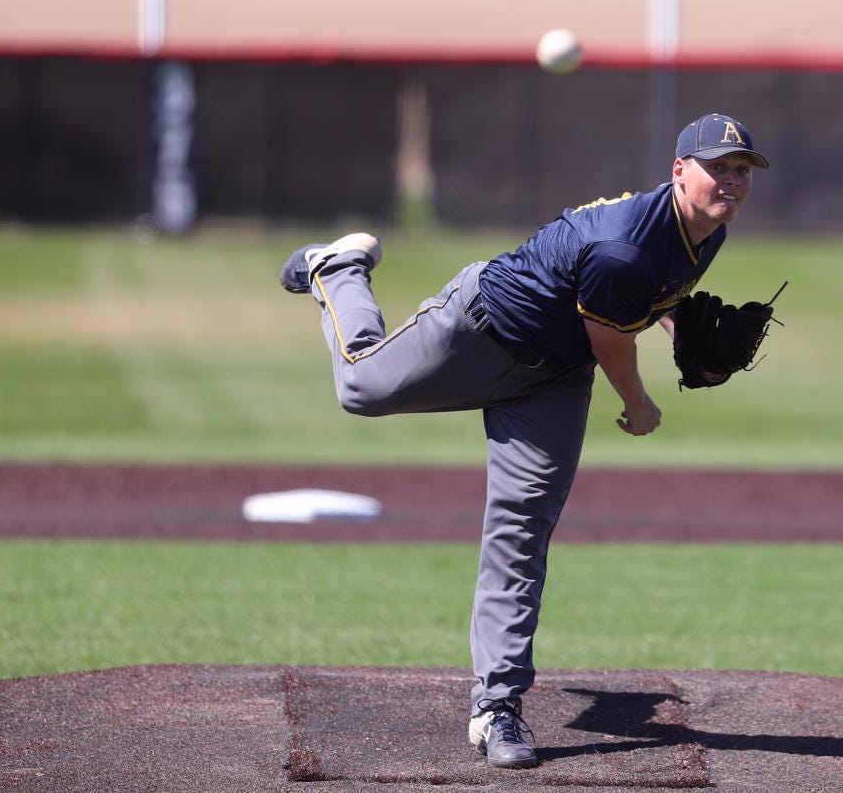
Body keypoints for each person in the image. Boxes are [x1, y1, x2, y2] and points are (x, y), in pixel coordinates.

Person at [279, 113, 769, 769]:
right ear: (679, 170)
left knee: (521, 527)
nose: (731, 181)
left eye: (741, 170)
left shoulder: (706, 233)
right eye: (718, 167)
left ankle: (498, 707)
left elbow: (655, 297)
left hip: (553, 381)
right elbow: (612, 337)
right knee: (361, 389)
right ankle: (338, 268)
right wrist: (639, 404)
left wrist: (685, 335)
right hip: (482, 329)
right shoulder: (626, 245)